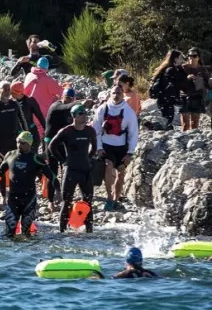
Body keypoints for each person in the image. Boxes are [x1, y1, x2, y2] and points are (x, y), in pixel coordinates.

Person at [0, 132, 49, 237]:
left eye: (23, 143)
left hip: (29, 199)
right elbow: (0, 172)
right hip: (13, 199)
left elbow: (51, 175)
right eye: (18, 142)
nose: (19, 145)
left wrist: (58, 190)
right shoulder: (10, 155)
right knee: (9, 233)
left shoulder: (35, 158)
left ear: (29, 144)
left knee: (26, 234)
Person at [49, 104, 97, 232]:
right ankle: (62, 231)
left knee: (88, 202)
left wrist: (87, 159)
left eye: (85, 113)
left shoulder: (90, 131)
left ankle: (89, 232)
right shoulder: (66, 131)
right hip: (71, 171)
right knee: (66, 202)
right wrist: (63, 161)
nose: (84, 115)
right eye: (81, 113)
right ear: (74, 116)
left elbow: (94, 148)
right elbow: (51, 147)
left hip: (86, 171)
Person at [93, 83, 139, 212]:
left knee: (121, 171)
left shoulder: (129, 112)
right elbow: (96, 130)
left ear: (123, 95)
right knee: (108, 166)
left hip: (122, 147)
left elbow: (134, 134)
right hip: (106, 146)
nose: (116, 95)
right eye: (114, 93)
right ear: (110, 94)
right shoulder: (102, 109)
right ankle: (109, 197)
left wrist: (130, 153)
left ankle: (116, 199)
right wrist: (99, 148)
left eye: (119, 93)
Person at [43, 87, 78, 211]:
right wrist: (78, 103)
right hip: (51, 143)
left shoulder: (71, 110)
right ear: (61, 97)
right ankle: (50, 201)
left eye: (71, 98)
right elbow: (65, 107)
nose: (68, 100)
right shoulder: (56, 106)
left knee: (66, 171)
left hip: (63, 143)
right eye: (66, 98)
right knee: (52, 171)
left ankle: (65, 198)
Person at [148, 50, 186, 129]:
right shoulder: (172, 70)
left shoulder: (166, 68)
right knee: (167, 120)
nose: (182, 60)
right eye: (180, 58)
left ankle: (160, 128)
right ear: (175, 59)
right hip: (167, 99)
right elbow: (178, 83)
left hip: (163, 99)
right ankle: (157, 128)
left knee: (166, 119)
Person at [23, 57, 62, 133]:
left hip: (27, 110)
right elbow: (60, 92)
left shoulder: (29, 76)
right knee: (40, 131)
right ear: (47, 68)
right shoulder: (48, 80)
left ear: (37, 65)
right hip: (41, 113)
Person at [181, 48, 209, 131]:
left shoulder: (202, 69)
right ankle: (184, 138)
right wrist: (187, 78)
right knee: (185, 125)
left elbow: (207, 84)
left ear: (198, 57)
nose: (191, 58)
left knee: (195, 125)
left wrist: (198, 80)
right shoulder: (183, 68)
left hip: (197, 97)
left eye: (194, 56)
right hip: (184, 97)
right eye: (189, 56)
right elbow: (178, 82)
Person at [12, 80, 44, 152]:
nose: (11, 95)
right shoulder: (12, 104)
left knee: (32, 154)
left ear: (17, 93)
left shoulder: (30, 101)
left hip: (32, 134)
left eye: (12, 93)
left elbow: (40, 116)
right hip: (20, 136)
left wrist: (46, 131)